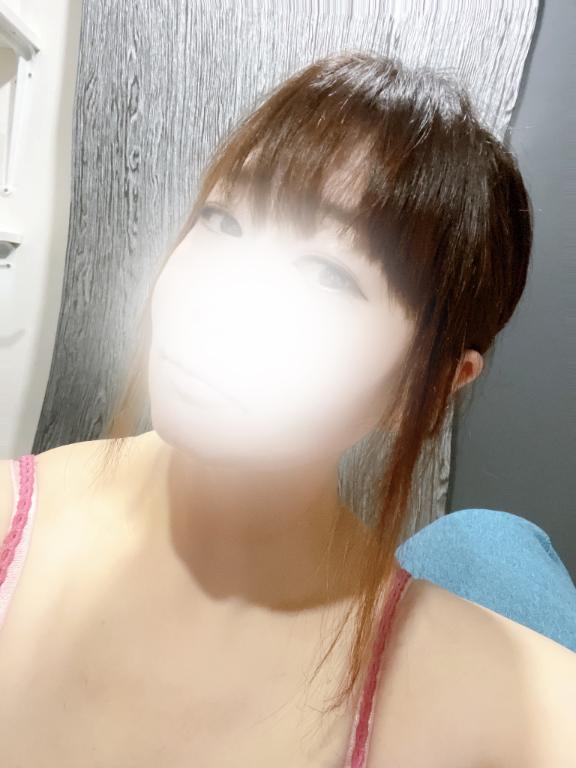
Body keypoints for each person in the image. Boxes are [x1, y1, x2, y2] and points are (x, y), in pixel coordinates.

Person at [0, 52, 574, 767]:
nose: (219, 293)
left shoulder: (504, 700)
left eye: (329, 274)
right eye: (222, 220)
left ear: (428, 389)